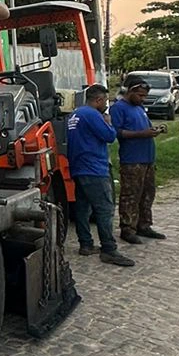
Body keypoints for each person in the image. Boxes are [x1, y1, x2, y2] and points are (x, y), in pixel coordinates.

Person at [66, 84, 134, 267]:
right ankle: (109, 249)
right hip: (94, 168)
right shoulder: (93, 115)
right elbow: (109, 136)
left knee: (82, 207)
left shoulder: (74, 115)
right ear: (98, 100)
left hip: (78, 167)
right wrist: (108, 122)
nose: (107, 104)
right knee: (104, 209)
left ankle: (86, 244)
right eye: (106, 100)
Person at [111, 77, 167, 244]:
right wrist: (141, 134)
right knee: (131, 195)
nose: (143, 99)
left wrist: (155, 130)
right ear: (130, 91)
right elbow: (116, 133)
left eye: (144, 96)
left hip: (148, 158)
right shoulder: (118, 108)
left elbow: (143, 127)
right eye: (140, 95)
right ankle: (127, 228)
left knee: (147, 194)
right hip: (132, 160)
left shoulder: (139, 107)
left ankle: (144, 224)